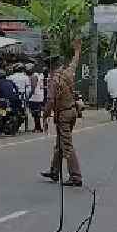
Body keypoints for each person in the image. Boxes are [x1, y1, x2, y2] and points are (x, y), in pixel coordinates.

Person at [40, 37, 84, 187]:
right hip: (72, 112)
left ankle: (76, 176)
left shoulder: (54, 80)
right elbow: (75, 62)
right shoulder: (68, 74)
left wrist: (45, 115)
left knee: (66, 145)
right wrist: (77, 50)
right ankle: (54, 171)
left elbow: (51, 101)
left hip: (63, 115)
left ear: (48, 67)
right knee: (60, 143)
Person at [0, 68, 25, 135]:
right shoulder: (10, 82)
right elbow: (17, 91)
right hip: (12, 102)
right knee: (15, 112)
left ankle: (0, 130)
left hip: (2, 103)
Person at [26, 63, 46, 132]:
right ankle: (38, 127)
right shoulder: (41, 75)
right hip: (40, 96)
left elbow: (33, 87)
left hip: (34, 97)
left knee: (35, 113)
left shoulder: (34, 76)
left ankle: (38, 128)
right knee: (37, 113)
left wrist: (29, 96)